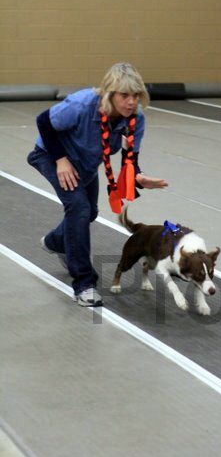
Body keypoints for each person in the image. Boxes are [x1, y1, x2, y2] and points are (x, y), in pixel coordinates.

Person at [27, 62, 168, 307]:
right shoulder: (82, 105)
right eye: (125, 95)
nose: (131, 102)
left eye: (136, 96)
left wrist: (138, 176)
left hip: (85, 165)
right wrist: (61, 160)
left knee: (89, 212)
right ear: (109, 93)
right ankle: (84, 284)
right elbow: (44, 121)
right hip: (52, 155)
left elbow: (129, 158)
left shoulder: (135, 119)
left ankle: (54, 242)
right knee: (79, 208)